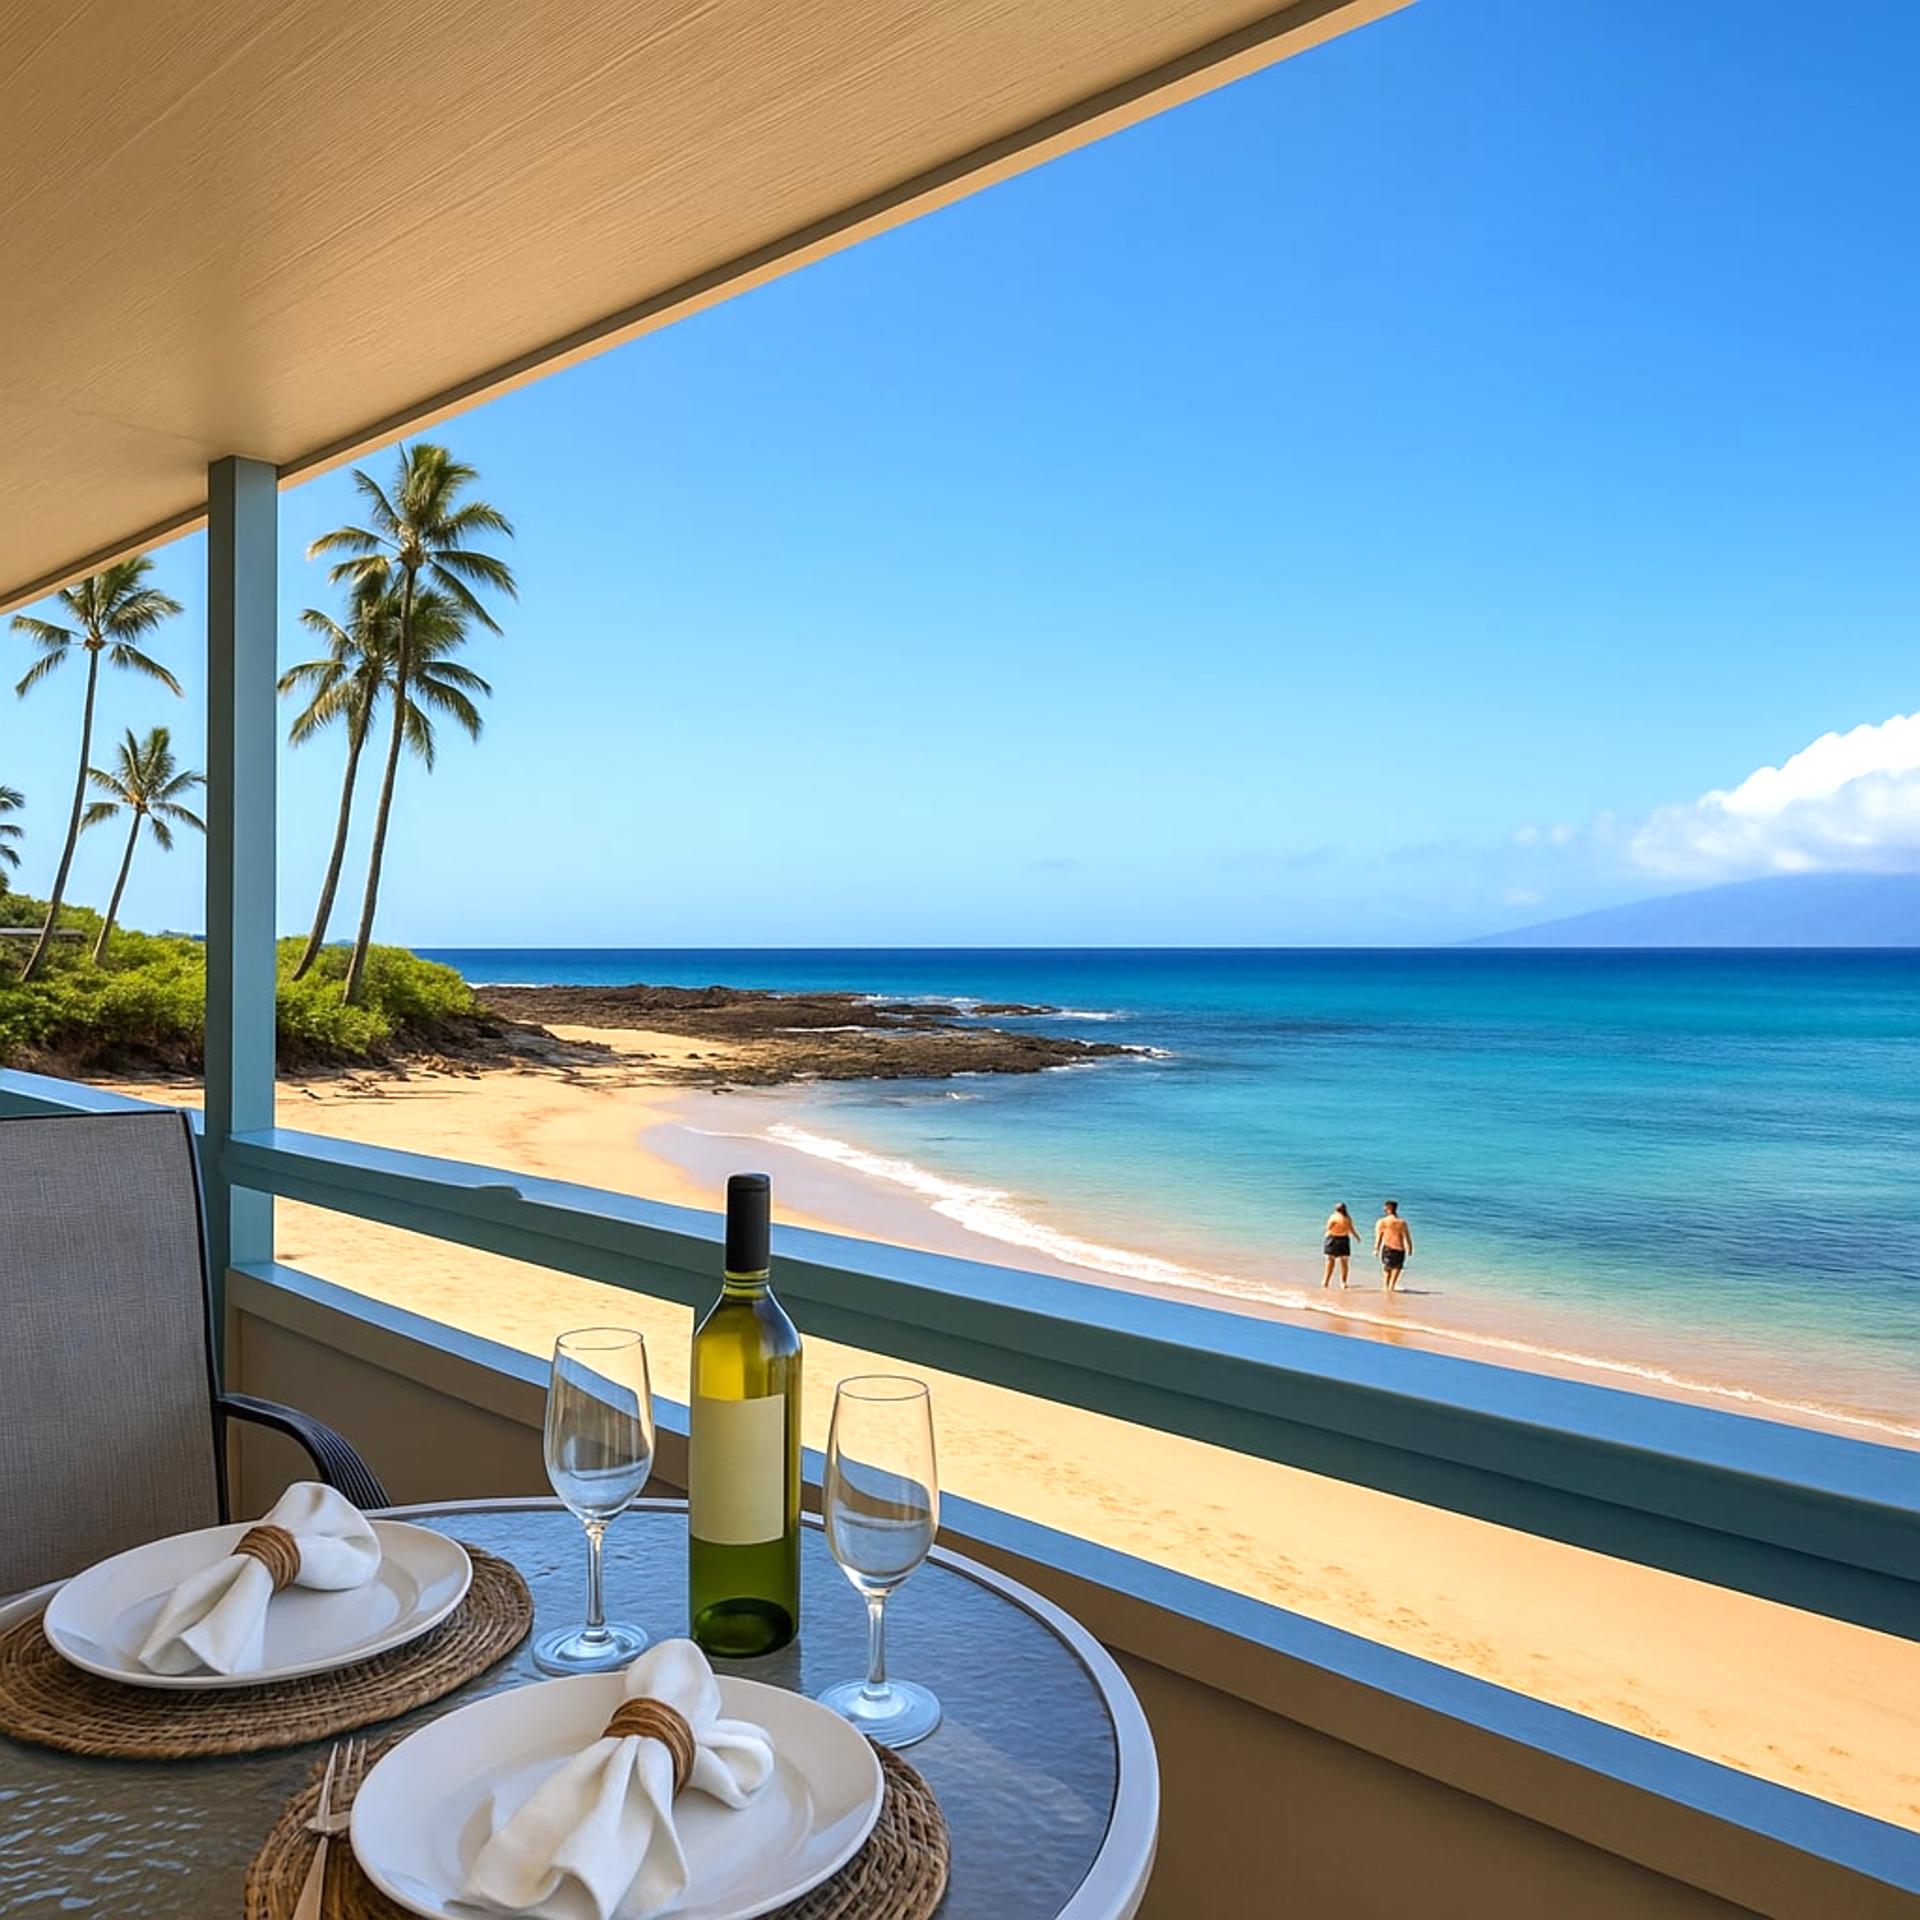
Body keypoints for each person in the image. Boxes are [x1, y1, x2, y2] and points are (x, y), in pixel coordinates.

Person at [1374, 1199, 1413, 1291]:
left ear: (1388, 1209)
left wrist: (1376, 1249)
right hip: (1400, 1249)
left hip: (1388, 1248)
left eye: (1384, 1207)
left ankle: (1386, 1287)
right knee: (1397, 1269)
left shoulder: (1382, 1222)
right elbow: (1407, 1237)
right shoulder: (1402, 1222)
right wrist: (1410, 1248)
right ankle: (1391, 1287)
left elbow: (1379, 1237)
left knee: (1387, 1270)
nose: (1383, 1209)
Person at [1321, 1203, 1357, 1289]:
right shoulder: (1348, 1218)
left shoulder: (1333, 1217)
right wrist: (1357, 1237)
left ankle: (1326, 1281)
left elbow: (1328, 1227)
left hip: (1333, 1239)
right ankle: (1343, 1282)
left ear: (1336, 1209)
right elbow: (1351, 1229)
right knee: (1344, 1262)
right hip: (1344, 1239)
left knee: (1330, 1262)